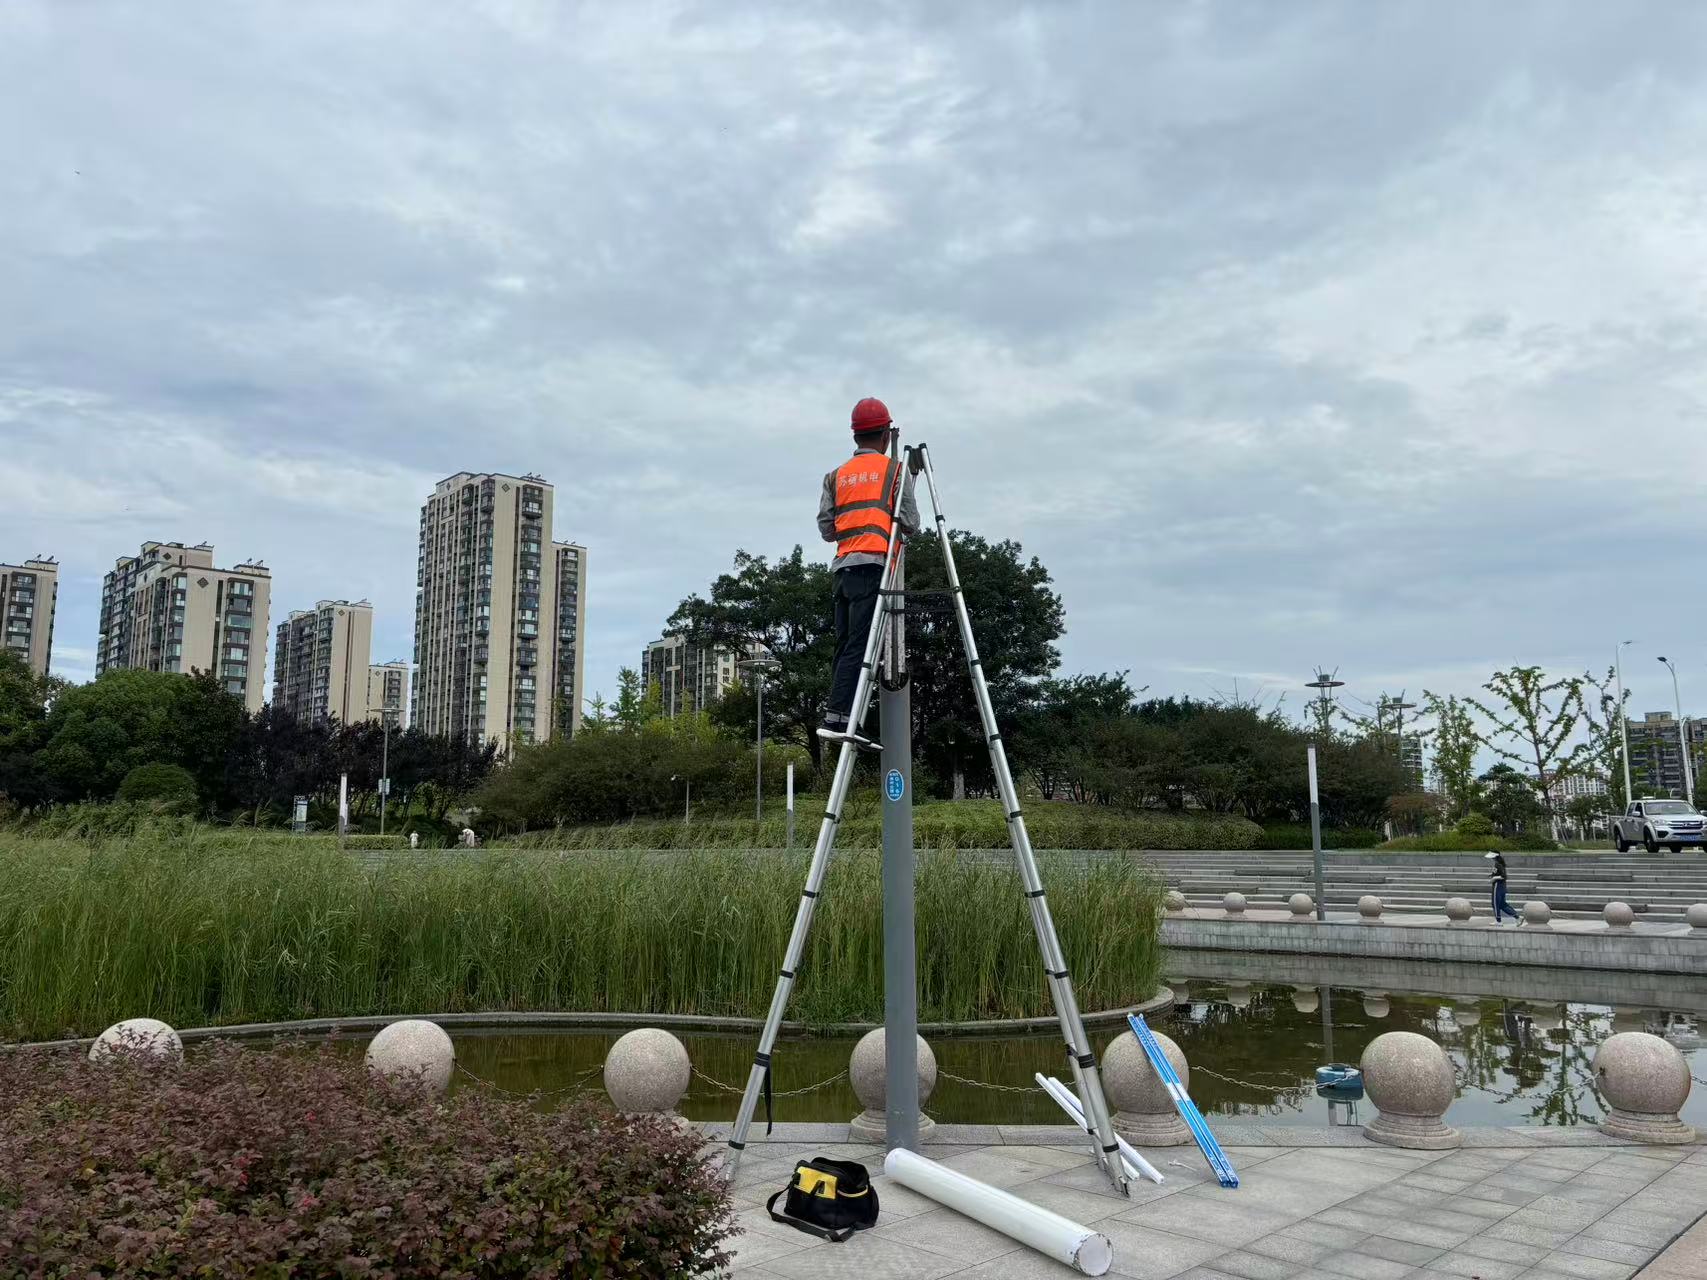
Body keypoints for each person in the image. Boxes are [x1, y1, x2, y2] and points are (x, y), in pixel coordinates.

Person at [817, 396, 919, 747]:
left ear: (855, 435)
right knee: (861, 648)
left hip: (842, 570)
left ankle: (837, 716)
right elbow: (910, 522)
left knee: (846, 644)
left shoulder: (835, 476)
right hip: (873, 567)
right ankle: (841, 718)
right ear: (886, 434)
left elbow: (827, 529)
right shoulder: (894, 471)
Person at [1486, 850, 1519, 923]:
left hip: (1498, 886)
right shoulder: (1499, 864)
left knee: (1495, 903)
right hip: (1502, 886)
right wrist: (1492, 876)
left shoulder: (1498, 864)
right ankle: (1516, 917)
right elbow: (1498, 873)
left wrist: (1494, 878)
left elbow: (1503, 876)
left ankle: (1498, 921)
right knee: (1502, 904)